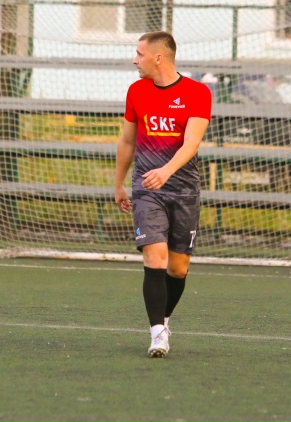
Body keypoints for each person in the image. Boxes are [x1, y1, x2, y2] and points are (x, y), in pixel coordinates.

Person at [114, 31, 212, 358]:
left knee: (178, 268)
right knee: (155, 257)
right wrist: (118, 184)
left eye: (139, 54)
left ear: (158, 57)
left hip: (183, 190)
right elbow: (127, 141)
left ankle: (165, 319)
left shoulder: (197, 92)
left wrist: (167, 171)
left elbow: (192, 143)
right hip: (147, 188)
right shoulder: (136, 91)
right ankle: (157, 334)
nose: (134, 60)